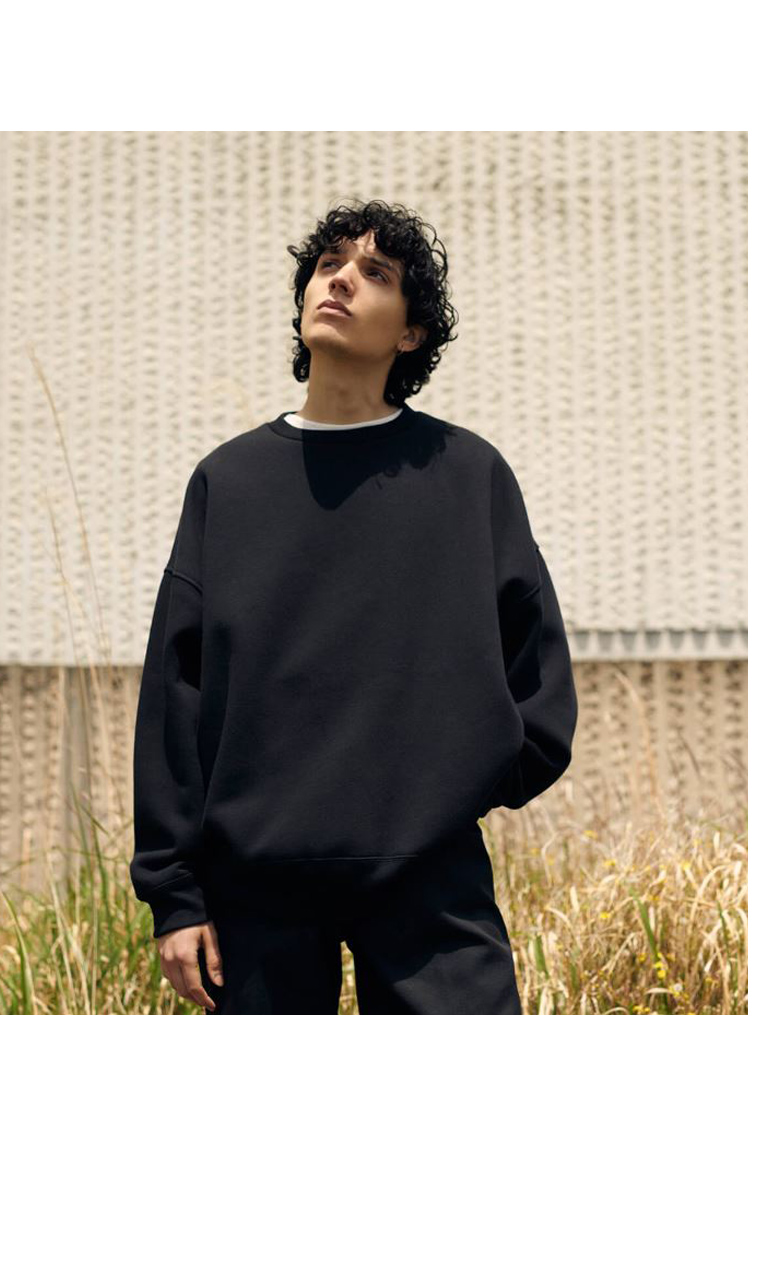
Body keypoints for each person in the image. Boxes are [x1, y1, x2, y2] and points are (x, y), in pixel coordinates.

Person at [129, 197, 578, 1015]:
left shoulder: (466, 474)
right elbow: (175, 691)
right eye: (328, 265)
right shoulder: (229, 482)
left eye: (375, 273)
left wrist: (452, 792)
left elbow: (538, 672)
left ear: (411, 333)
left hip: (430, 879)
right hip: (253, 885)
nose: (339, 281)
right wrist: (176, 894)